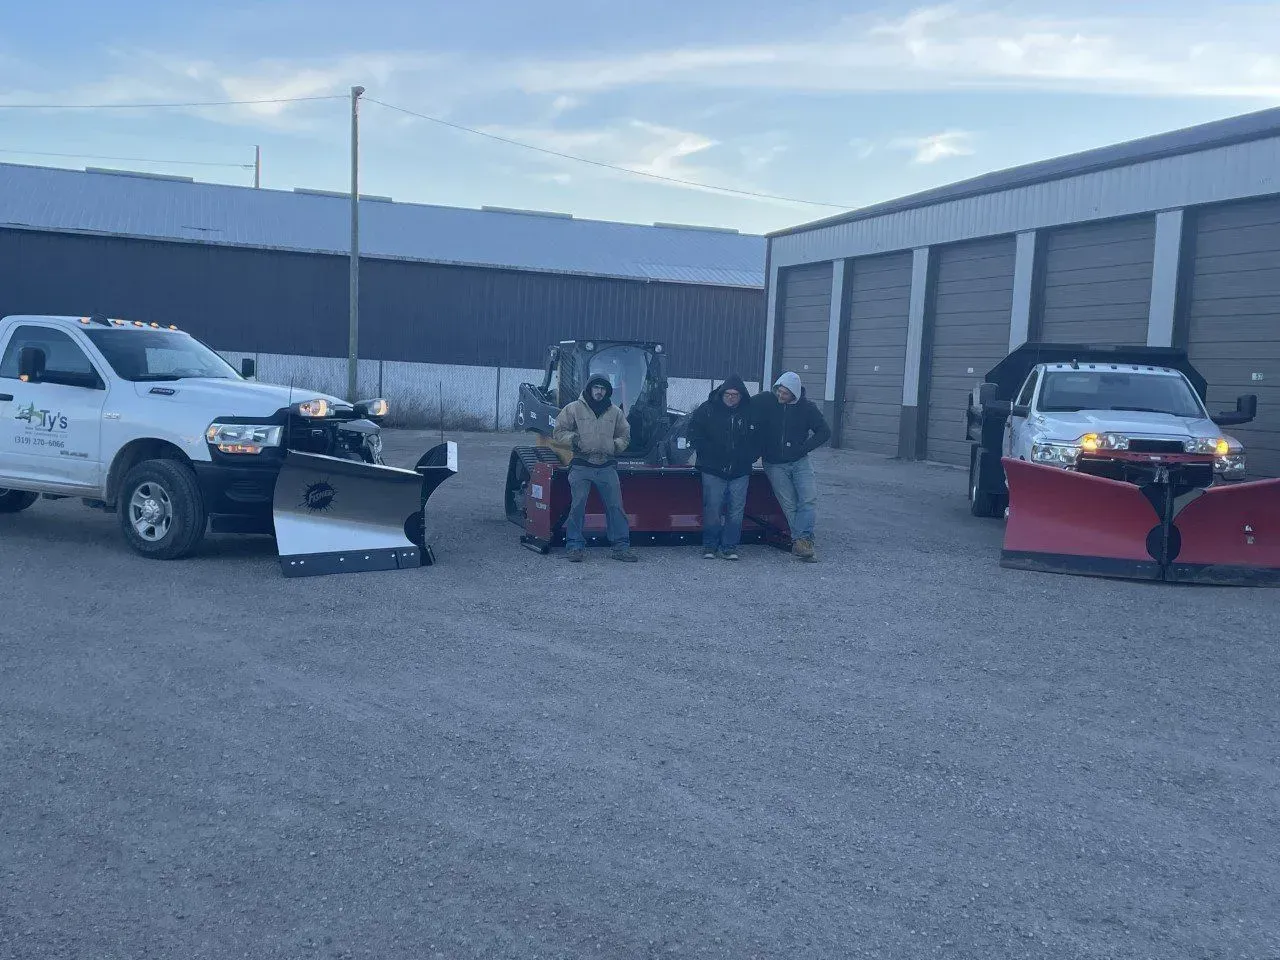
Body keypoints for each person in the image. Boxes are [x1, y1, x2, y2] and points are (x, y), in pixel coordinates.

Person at [552, 374, 638, 562]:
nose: (599, 391)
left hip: (606, 466)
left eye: (603, 388)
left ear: (607, 391)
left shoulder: (615, 412)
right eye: (596, 387)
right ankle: (574, 546)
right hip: (581, 465)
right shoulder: (573, 409)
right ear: (589, 389)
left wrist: (615, 446)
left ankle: (621, 547)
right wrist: (573, 440)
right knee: (577, 506)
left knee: (615, 507)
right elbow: (558, 431)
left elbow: (625, 434)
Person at [751, 371, 831, 562]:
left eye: (785, 393)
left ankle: (802, 542)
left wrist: (804, 449)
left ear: (794, 394)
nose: (780, 395)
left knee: (808, 499)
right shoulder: (765, 401)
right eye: (779, 390)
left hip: (799, 461)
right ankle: (804, 542)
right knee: (789, 503)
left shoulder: (808, 408)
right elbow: (744, 405)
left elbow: (824, 431)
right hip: (774, 463)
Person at [686, 374, 759, 560]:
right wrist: (707, 453)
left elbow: (761, 437)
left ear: (741, 395)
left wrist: (751, 456)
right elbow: (693, 433)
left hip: (740, 470)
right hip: (713, 469)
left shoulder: (750, 412)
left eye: (735, 394)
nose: (731, 397)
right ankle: (710, 546)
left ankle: (730, 547)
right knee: (713, 508)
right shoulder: (707, 410)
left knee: (736, 510)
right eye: (728, 393)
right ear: (722, 393)